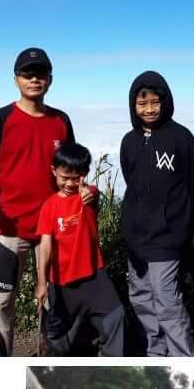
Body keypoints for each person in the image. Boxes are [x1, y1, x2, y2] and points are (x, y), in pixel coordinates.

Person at [0, 47, 82, 356]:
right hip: (9, 228)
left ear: (50, 80)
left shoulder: (61, 121)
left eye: (40, 73)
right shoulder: (0, 119)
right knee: (1, 301)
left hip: (50, 229)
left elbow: (71, 168)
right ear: (16, 80)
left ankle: (49, 362)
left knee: (53, 299)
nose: (34, 79)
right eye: (27, 74)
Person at [120, 70, 194, 357]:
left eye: (155, 102)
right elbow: (131, 180)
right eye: (142, 104)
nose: (149, 109)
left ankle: (183, 358)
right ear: (133, 106)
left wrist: (181, 229)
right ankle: (156, 353)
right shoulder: (130, 141)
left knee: (167, 300)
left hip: (167, 237)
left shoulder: (181, 139)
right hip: (136, 239)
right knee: (141, 297)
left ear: (165, 101)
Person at [35, 141, 125, 356]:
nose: (69, 183)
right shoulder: (49, 206)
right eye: (64, 177)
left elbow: (92, 194)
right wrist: (41, 282)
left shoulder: (88, 196)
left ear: (84, 175)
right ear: (53, 171)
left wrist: (88, 194)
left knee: (115, 317)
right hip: (61, 281)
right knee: (63, 339)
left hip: (94, 275)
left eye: (76, 178)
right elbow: (45, 244)